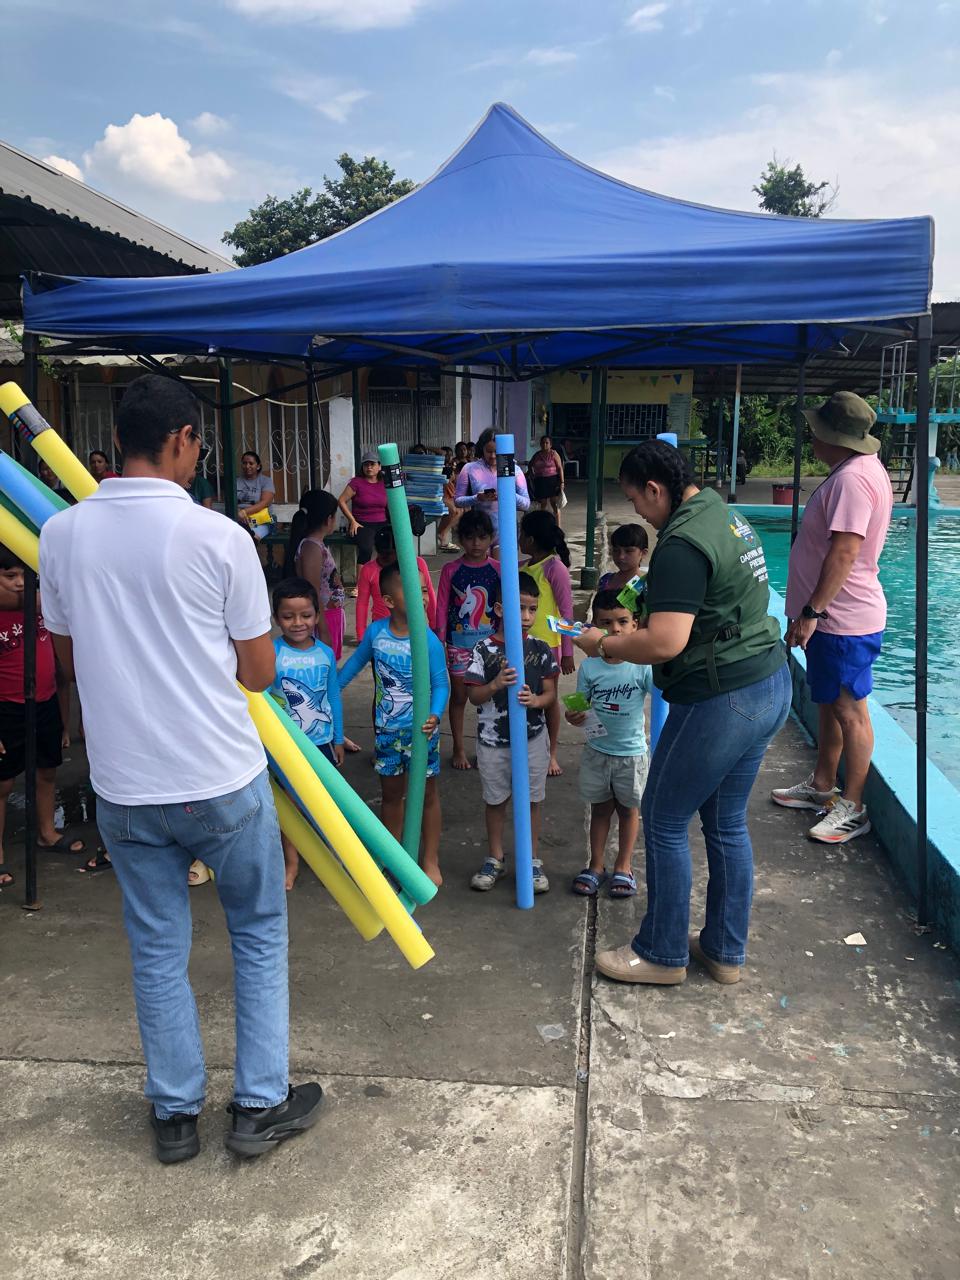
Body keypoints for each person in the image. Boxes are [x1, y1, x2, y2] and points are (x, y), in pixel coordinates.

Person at [39, 373, 322, 1164]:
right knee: (257, 931)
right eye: (199, 443)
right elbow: (260, 673)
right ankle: (259, 1103)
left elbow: (69, 661)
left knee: (157, 946)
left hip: (125, 786)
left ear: (118, 440)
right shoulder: (219, 537)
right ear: (182, 439)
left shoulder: (61, 534)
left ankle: (174, 1113)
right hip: (220, 777)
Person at [574, 440, 790, 987]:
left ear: (655, 488)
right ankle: (723, 950)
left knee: (664, 817)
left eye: (635, 500)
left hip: (725, 698)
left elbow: (665, 642)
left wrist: (604, 644)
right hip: (769, 682)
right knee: (726, 822)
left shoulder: (681, 543)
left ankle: (662, 952)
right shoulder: (723, 514)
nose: (639, 514)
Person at [773, 391, 893, 844]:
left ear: (834, 437)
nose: (811, 438)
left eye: (816, 431)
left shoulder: (853, 481)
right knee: (829, 702)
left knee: (850, 711)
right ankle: (823, 785)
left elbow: (845, 552)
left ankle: (854, 807)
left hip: (842, 619)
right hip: (833, 617)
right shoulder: (856, 471)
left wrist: (812, 612)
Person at [338, 563, 449, 886]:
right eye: (413, 590)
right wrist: (328, 696)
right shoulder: (376, 634)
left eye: (424, 590)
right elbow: (352, 668)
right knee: (391, 796)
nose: (422, 596)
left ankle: (430, 859)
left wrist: (435, 715)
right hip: (387, 732)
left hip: (422, 733)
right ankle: (394, 857)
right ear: (387, 600)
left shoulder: (427, 640)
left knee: (427, 795)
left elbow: (441, 684)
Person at [465, 573, 558, 894]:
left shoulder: (541, 649)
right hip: (493, 742)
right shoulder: (484, 649)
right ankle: (495, 857)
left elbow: (550, 695)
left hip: (532, 738)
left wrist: (536, 701)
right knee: (496, 800)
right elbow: (473, 696)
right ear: (500, 609)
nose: (527, 616)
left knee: (531, 800)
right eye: (520, 608)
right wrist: (495, 684)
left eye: (532, 609)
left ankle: (531, 860)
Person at [0, 546, 85, 890]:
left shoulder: (42, 608)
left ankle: (47, 832)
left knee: (47, 770)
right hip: (6, 708)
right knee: (2, 783)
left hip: (44, 701)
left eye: (25, 575)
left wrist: (64, 720)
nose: (20, 583)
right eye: (9, 577)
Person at [566, 590, 652, 899]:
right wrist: (574, 716)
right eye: (605, 623)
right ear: (594, 627)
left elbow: (663, 693)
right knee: (600, 810)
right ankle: (596, 865)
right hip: (598, 751)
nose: (615, 629)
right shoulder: (590, 667)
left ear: (635, 625)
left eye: (622, 621)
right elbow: (579, 706)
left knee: (629, 811)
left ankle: (623, 867)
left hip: (631, 754)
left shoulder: (642, 666)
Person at [269, 577, 344, 890]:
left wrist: (338, 738)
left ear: (316, 615)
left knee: (325, 803)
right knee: (291, 806)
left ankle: (332, 858)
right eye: (288, 616)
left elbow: (333, 696)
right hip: (285, 747)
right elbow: (262, 698)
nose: (297, 623)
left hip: (322, 742)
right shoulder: (271, 652)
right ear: (276, 618)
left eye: (305, 615)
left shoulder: (325, 653)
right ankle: (292, 862)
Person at [434, 508, 499, 770]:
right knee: (459, 697)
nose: (476, 543)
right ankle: (459, 747)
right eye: (470, 537)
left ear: (491, 538)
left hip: (491, 647)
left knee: (490, 699)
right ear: (460, 539)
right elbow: (441, 606)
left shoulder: (498, 570)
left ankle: (487, 747)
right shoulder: (451, 570)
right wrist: (439, 640)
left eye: (482, 537)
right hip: (458, 646)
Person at [519, 510, 575, 777]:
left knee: (549, 700)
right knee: (523, 696)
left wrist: (567, 652)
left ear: (530, 539)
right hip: (521, 645)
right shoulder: (522, 567)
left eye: (521, 534)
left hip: (549, 647)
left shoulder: (555, 568)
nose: (519, 539)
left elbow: (566, 612)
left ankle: (551, 753)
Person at [289, 490, 346, 659]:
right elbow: (312, 590)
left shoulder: (317, 545)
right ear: (329, 519)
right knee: (323, 664)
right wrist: (324, 630)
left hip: (329, 615)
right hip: (323, 619)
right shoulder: (312, 547)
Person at [356, 524, 436, 642]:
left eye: (390, 554)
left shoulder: (417, 564)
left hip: (412, 626)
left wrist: (434, 625)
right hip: (381, 629)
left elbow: (429, 594)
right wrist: (361, 634)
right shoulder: (368, 570)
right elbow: (362, 603)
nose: (386, 559)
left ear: (400, 550)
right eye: (382, 554)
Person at [454, 427, 530, 550]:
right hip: (480, 532)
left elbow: (526, 504)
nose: (493, 456)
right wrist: (477, 498)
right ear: (482, 449)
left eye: (497, 451)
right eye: (489, 451)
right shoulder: (469, 469)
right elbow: (458, 501)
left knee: (503, 562)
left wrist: (508, 495)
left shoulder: (514, 470)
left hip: (506, 531)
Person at [337, 452, 388, 582]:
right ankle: (360, 585)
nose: (369, 467)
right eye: (366, 465)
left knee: (389, 549)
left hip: (382, 523)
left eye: (372, 464)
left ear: (379, 466)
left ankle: (385, 582)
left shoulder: (384, 483)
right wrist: (352, 521)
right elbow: (341, 501)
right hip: (362, 523)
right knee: (366, 548)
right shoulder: (357, 483)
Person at [598, 523, 649, 594]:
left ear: (643, 553)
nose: (621, 556)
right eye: (616, 550)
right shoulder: (605, 580)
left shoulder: (644, 586)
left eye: (628, 551)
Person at [527, 434, 566, 524]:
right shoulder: (537, 455)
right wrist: (531, 474)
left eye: (546, 443)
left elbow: (560, 468)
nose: (544, 445)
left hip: (552, 481)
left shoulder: (554, 454)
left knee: (554, 503)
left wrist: (562, 482)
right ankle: (543, 524)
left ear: (550, 444)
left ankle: (558, 526)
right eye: (543, 443)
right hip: (540, 481)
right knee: (543, 503)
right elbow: (530, 465)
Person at [237, 451, 275, 538]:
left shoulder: (266, 481)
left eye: (251, 463)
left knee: (249, 537)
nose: (247, 466)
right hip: (240, 520)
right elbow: (231, 502)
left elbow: (265, 502)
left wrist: (244, 512)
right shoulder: (236, 481)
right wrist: (238, 513)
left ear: (258, 466)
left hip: (260, 521)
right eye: (244, 463)